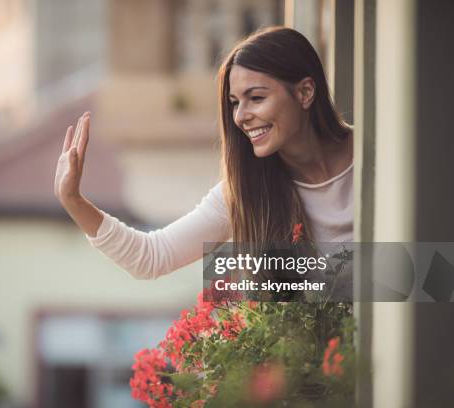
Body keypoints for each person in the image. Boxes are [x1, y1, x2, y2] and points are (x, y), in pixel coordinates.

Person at [54, 26, 353, 281]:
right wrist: (74, 201)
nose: (241, 116)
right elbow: (151, 257)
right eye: (235, 102)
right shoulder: (244, 192)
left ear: (304, 93)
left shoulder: (377, 153)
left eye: (257, 98)